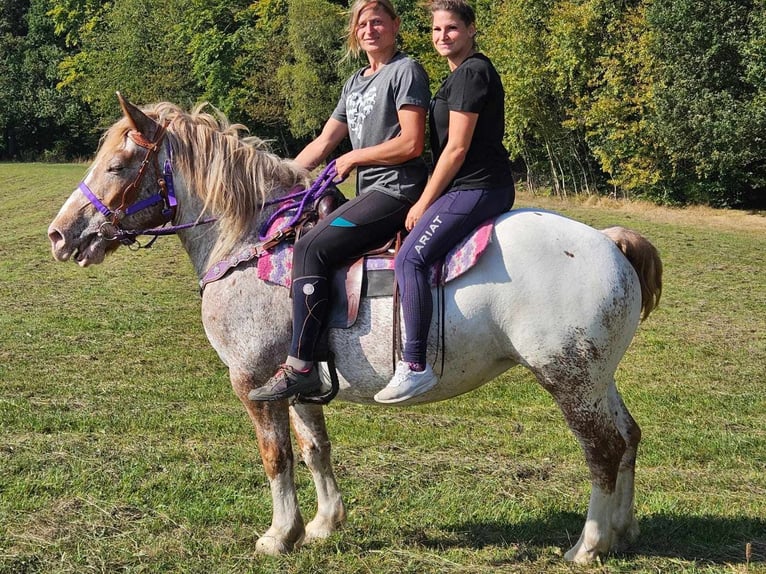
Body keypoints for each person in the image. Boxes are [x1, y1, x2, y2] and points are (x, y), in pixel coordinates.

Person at [249, 0, 430, 401]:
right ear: (355, 32)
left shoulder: (406, 71)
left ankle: (302, 366)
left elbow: (412, 142)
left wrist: (353, 157)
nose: (370, 30)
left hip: (397, 192)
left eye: (378, 22)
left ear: (395, 25)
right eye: (362, 24)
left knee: (312, 247)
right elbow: (325, 141)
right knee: (305, 233)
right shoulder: (355, 83)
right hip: (371, 192)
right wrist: (276, 183)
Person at [374, 0, 515, 403]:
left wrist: (424, 202)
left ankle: (415, 365)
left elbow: (455, 150)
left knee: (410, 259)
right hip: (465, 186)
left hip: (479, 187)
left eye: (451, 28)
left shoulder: (473, 73)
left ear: (471, 29)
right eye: (436, 31)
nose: (442, 37)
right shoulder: (455, 77)